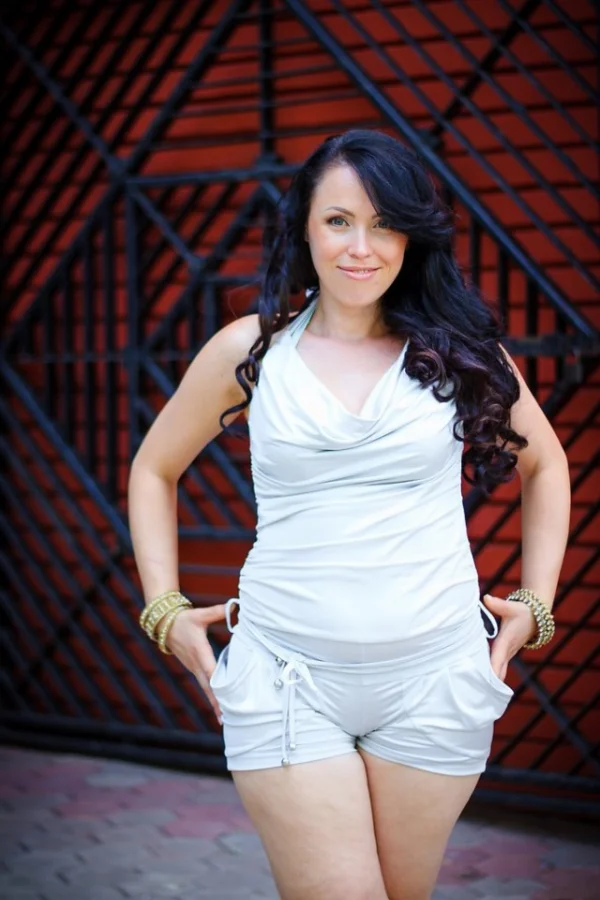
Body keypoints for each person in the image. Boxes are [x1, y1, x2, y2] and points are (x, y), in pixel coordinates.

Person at [128, 129, 570, 900]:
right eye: (338, 221)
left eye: (384, 223)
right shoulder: (250, 352)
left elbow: (547, 465)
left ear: (411, 237)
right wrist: (163, 610)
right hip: (286, 681)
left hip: (436, 683)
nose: (361, 248)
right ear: (304, 227)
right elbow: (153, 468)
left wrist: (537, 604)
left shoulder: (460, 354)